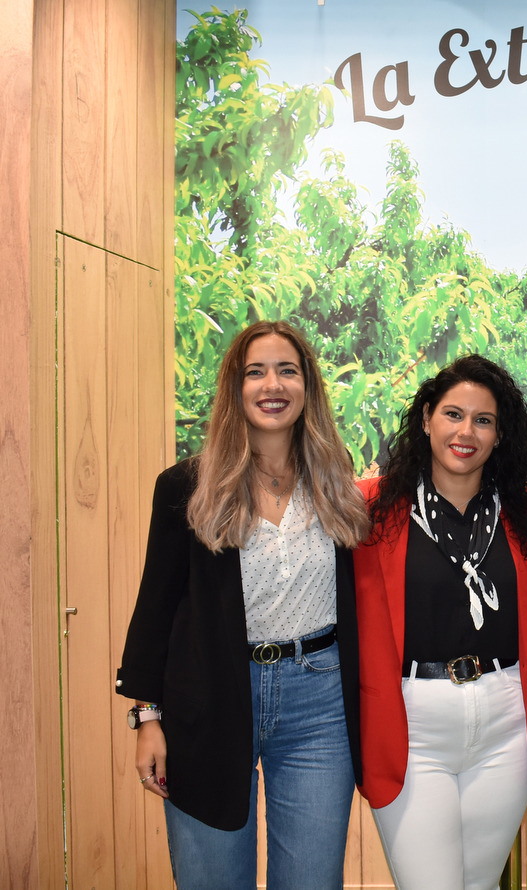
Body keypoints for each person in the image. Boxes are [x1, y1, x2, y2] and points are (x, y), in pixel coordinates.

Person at [115, 321, 371, 889]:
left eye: (287, 371)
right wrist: (147, 718)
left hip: (319, 704)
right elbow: (156, 610)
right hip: (210, 698)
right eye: (256, 372)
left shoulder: (335, 479)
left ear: (308, 386)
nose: (272, 385)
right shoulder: (187, 485)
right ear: (236, 387)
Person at [353, 354, 527, 890]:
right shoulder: (371, 508)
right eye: (453, 414)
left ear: (500, 435)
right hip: (413, 725)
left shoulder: (524, 513)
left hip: (505, 724)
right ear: (426, 419)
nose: (466, 432)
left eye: (483, 420)